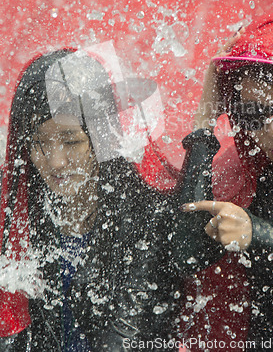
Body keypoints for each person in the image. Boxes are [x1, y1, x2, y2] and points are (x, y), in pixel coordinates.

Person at [0, 44, 185, 351]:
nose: (56, 162)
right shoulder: (25, 215)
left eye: (71, 140)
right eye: (38, 143)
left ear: (102, 137)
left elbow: (126, 336)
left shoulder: (145, 213)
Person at [178, 14, 273, 351]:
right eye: (252, 115)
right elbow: (186, 254)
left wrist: (259, 233)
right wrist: (205, 117)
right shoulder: (245, 173)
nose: (272, 134)